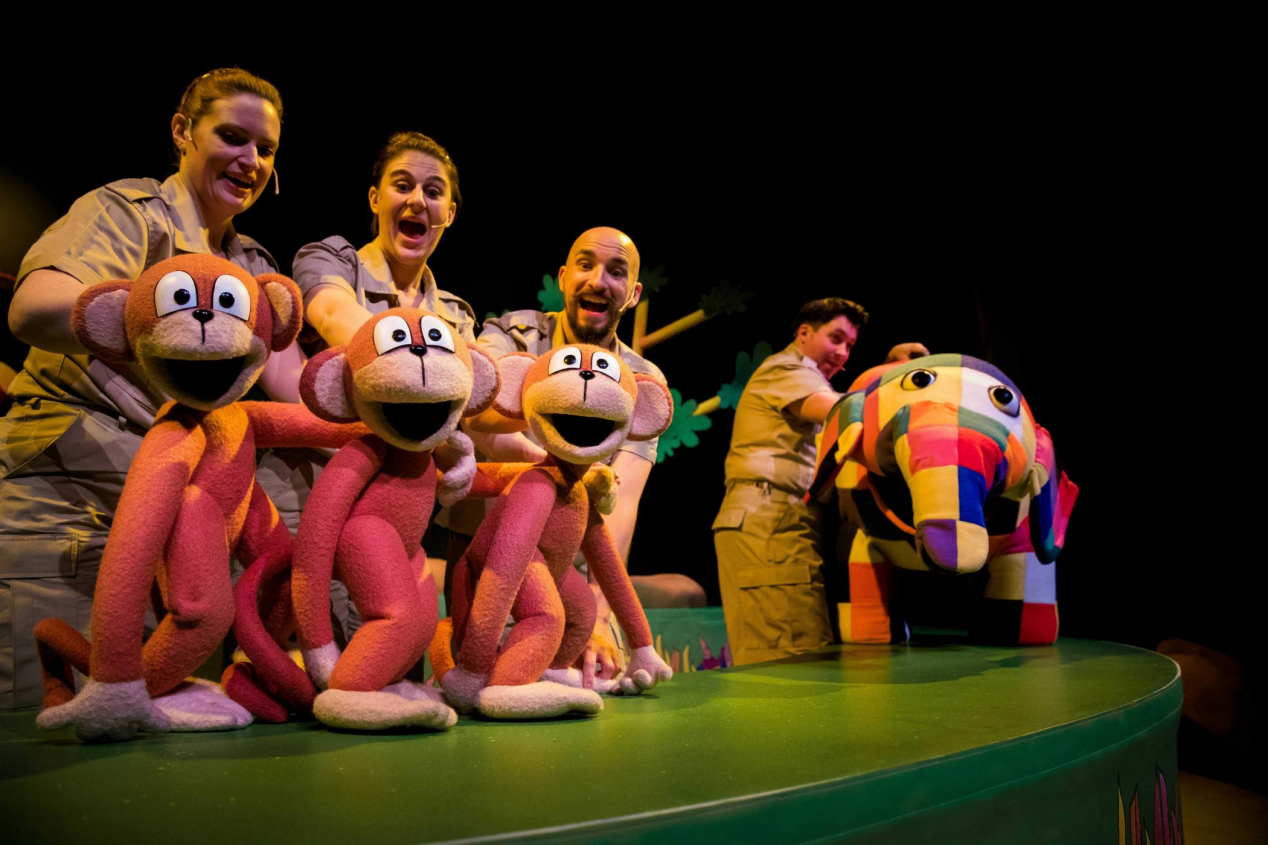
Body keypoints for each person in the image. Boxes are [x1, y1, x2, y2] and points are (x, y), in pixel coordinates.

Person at [0, 68, 284, 709]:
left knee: (162, 725)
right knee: (52, 719)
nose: (251, 160)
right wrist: (167, 319)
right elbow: (33, 307)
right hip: (77, 498)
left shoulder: (251, 263)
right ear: (183, 131)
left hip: (176, 519)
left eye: (265, 148)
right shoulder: (128, 213)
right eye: (232, 137)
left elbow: (287, 380)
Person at [253, 131, 475, 644]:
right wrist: (428, 371)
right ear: (376, 198)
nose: (417, 200)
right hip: (305, 498)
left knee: (386, 657)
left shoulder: (455, 317)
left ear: (448, 213)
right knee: (290, 658)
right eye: (402, 185)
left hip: (397, 517)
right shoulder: (331, 261)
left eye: (433, 191)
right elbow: (334, 314)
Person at [458, 226, 704, 681]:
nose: (598, 281)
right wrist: (554, 434)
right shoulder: (514, 334)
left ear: (633, 294)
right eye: (586, 265)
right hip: (492, 555)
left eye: (616, 272)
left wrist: (600, 615)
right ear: (563, 277)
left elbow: (621, 503)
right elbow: (476, 411)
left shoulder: (641, 379)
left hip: (572, 566)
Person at [712, 297, 927, 666]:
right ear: (804, 333)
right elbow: (844, 412)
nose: (842, 352)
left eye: (850, 345)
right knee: (786, 654)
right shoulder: (786, 368)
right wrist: (899, 379)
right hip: (769, 518)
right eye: (836, 338)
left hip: (783, 520)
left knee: (800, 646)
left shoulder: (805, 377)